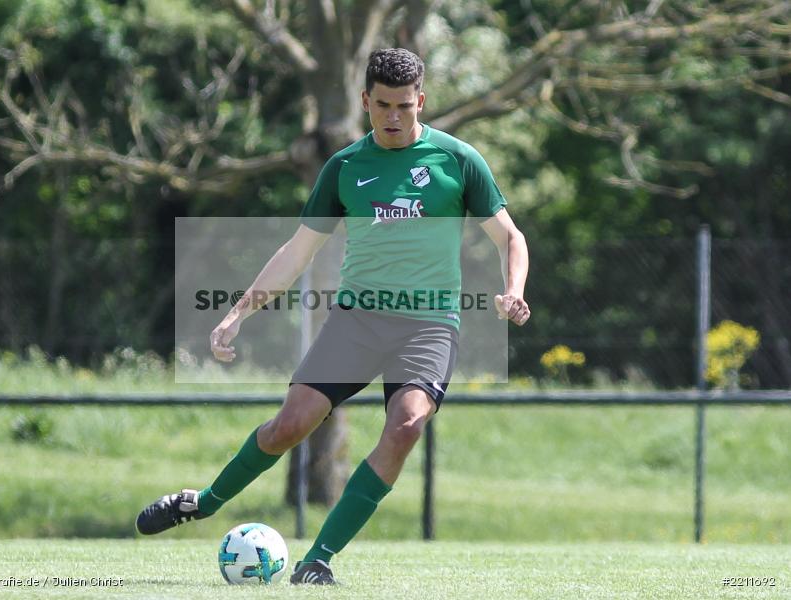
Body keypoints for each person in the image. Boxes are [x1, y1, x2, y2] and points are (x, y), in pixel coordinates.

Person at [136, 48, 530, 585]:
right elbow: (297, 252)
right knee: (288, 427)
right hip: (356, 321)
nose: (393, 117)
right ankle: (201, 503)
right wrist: (237, 314)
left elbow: (511, 236)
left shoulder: (457, 160)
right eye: (382, 105)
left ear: (422, 101)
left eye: (405, 107)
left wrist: (513, 291)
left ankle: (317, 560)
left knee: (408, 423)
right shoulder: (344, 168)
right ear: (365, 100)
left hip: (430, 324)